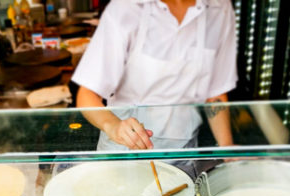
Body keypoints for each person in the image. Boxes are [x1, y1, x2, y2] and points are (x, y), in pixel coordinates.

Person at [72, 0, 237, 151]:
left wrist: (227, 148)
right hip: (123, 156)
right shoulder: (125, 8)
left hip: (181, 158)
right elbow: (87, 94)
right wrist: (114, 126)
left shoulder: (219, 8)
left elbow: (215, 92)